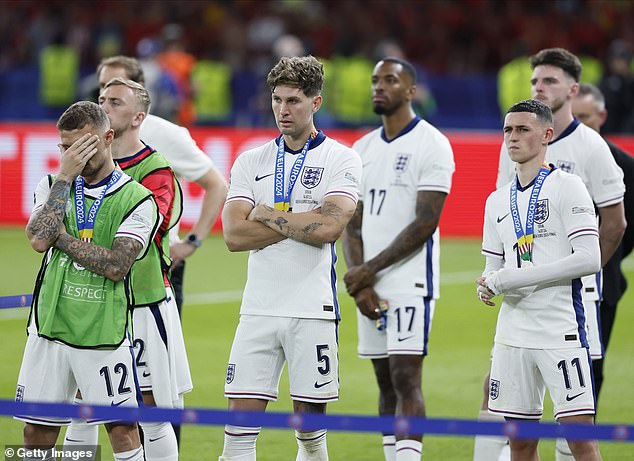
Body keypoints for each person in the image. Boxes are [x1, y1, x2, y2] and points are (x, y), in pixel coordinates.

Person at [475, 48, 626, 461]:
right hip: (512, 332)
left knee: (580, 441)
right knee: (521, 441)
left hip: (561, 327)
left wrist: (513, 279)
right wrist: (489, 283)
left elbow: (589, 258)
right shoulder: (495, 200)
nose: (512, 138)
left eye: (523, 130)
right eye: (507, 130)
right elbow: (494, 264)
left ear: (545, 136)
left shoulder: (569, 186)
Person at [220, 55, 362, 461]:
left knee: (310, 436)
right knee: (237, 437)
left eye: (294, 101)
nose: (283, 110)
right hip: (258, 310)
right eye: (277, 100)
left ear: (315, 103)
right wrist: (304, 221)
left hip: (311, 311)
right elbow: (233, 235)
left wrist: (265, 213)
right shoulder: (251, 160)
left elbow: (330, 230)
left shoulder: (342, 158)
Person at [17, 101, 158, 461]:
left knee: (123, 431)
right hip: (49, 330)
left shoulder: (137, 198)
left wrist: (61, 238)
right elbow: (36, 240)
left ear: (108, 137)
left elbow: (116, 266)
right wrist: (64, 176)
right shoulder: (51, 184)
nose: (74, 154)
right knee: (35, 432)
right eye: (66, 147)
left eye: (83, 144)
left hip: (103, 334)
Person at [63, 78, 192, 460]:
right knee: (83, 406)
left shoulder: (157, 171)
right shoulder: (81, 168)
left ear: (138, 116)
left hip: (139, 302)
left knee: (148, 409)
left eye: (115, 102)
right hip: (91, 301)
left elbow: (138, 238)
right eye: (100, 100)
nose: (104, 107)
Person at [342, 57, 455, 461]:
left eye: (390, 80)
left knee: (405, 376)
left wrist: (367, 271)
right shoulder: (361, 149)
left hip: (410, 281)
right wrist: (363, 282)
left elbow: (425, 222)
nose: (379, 86)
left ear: (410, 91)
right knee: (383, 381)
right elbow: (351, 225)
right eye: (375, 80)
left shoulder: (432, 143)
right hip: (370, 283)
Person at [96, 55, 228, 317]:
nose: (107, 94)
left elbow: (217, 185)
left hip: (157, 267)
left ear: (140, 91)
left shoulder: (165, 134)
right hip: (103, 264)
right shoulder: (95, 134)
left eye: (116, 86)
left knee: (157, 357)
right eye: (103, 87)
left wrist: (192, 242)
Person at [572, 82, 634, 402]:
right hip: (555, 283)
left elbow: (627, 227)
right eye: (574, 116)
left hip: (604, 283)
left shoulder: (624, 165)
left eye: (586, 116)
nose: (579, 124)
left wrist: (605, 258)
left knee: (593, 365)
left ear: (602, 115)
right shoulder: (554, 158)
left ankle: (582, 440)